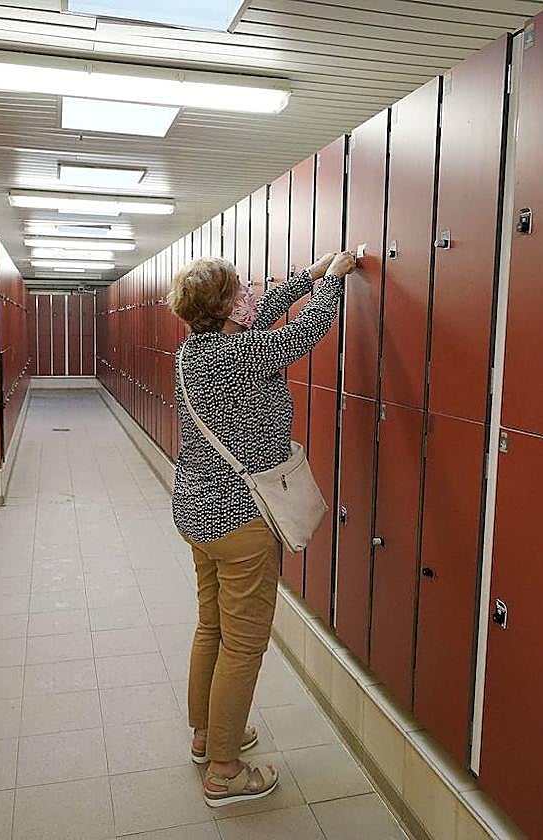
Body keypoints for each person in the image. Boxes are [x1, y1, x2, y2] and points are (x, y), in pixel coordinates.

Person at [167, 249, 356, 806]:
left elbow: (265, 309)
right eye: (241, 288)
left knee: (213, 628)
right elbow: (302, 333)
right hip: (241, 520)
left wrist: (308, 275)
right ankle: (224, 771)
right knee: (244, 644)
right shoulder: (239, 355)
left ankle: (207, 735)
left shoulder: (197, 351)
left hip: (198, 513)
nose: (253, 289)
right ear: (226, 308)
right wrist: (334, 284)